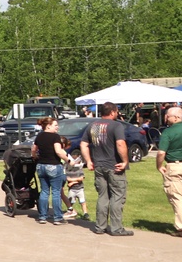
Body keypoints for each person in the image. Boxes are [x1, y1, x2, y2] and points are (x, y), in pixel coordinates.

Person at [81, 101, 132, 236]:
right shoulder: (116, 125)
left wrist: (88, 161)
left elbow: (84, 144)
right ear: (112, 112)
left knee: (103, 196)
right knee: (117, 196)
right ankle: (116, 228)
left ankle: (100, 226)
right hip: (114, 166)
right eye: (116, 112)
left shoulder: (92, 125)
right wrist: (125, 161)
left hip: (99, 166)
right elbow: (120, 144)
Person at [155, 106, 182, 238]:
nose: (166, 118)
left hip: (175, 166)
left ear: (176, 117)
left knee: (177, 197)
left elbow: (161, 152)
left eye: (168, 115)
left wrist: (159, 165)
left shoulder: (168, 132)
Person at [32, 116, 70, 225]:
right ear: (48, 126)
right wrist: (68, 160)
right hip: (53, 165)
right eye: (55, 125)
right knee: (56, 192)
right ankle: (57, 217)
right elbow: (58, 151)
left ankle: (42, 216)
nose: (57, 127)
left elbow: (34, 149)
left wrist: (34, 156)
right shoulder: (55, 137)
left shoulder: (39, 136)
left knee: (44, 191)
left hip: (41, 166)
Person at [61, 136, 88, 220]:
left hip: (78, 187)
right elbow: (67, 176)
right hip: (71, 187)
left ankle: (81, 212)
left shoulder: (79, 170)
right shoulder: (68, 170)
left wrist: (72, 181)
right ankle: (69, 209)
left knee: (82, 201)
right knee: (67, 198)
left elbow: (81, 178)